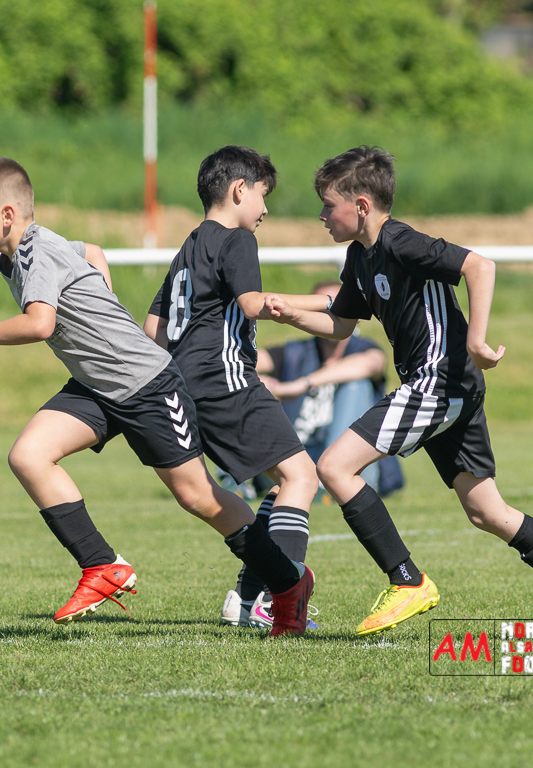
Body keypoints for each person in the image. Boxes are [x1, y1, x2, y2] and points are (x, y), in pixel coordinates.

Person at [0, 157, 314, 636]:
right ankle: (101, 565)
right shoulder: (26, 250)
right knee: (28, 455)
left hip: (147, 384)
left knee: (198, 497)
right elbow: (91, 251)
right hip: (97, 384)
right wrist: (104, 302)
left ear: (7, 215)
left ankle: (288, 583)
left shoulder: (37, 251)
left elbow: (40, 324)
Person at [261, 146, 533, 640]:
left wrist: (476, 340)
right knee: (487, 512)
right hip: (446, 387)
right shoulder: (360, 257)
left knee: (334, 466)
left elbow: (480, 266)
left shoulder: (401, 241)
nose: (322, 216)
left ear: (362, 206)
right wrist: (287, 313)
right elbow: (342, 322)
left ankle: (407, 581)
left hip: (439, 381)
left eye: (328, 205)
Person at [143, 146, 321, 630]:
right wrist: (325, 302)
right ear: (240, 190)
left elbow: (154, 328)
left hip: (186, 386)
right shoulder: (237, 239)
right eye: (263, 196)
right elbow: (251, 303)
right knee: (303, 477)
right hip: (227, 381)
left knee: (281, 482)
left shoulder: (187, 248)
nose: (265, 209)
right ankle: (275, 597)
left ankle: (245, 598)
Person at [257, 280, 404, 498]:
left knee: (356, 385)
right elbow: (241, 362)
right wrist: (261, 383)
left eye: (336, 307)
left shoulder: (363, 349)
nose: (329, 315)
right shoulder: (295, 353)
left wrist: (300, 385)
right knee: (243, 386)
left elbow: (371, 364)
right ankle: (237, 481)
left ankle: (329, 482)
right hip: (300, 459)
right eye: (321, 308)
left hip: (351, 468)